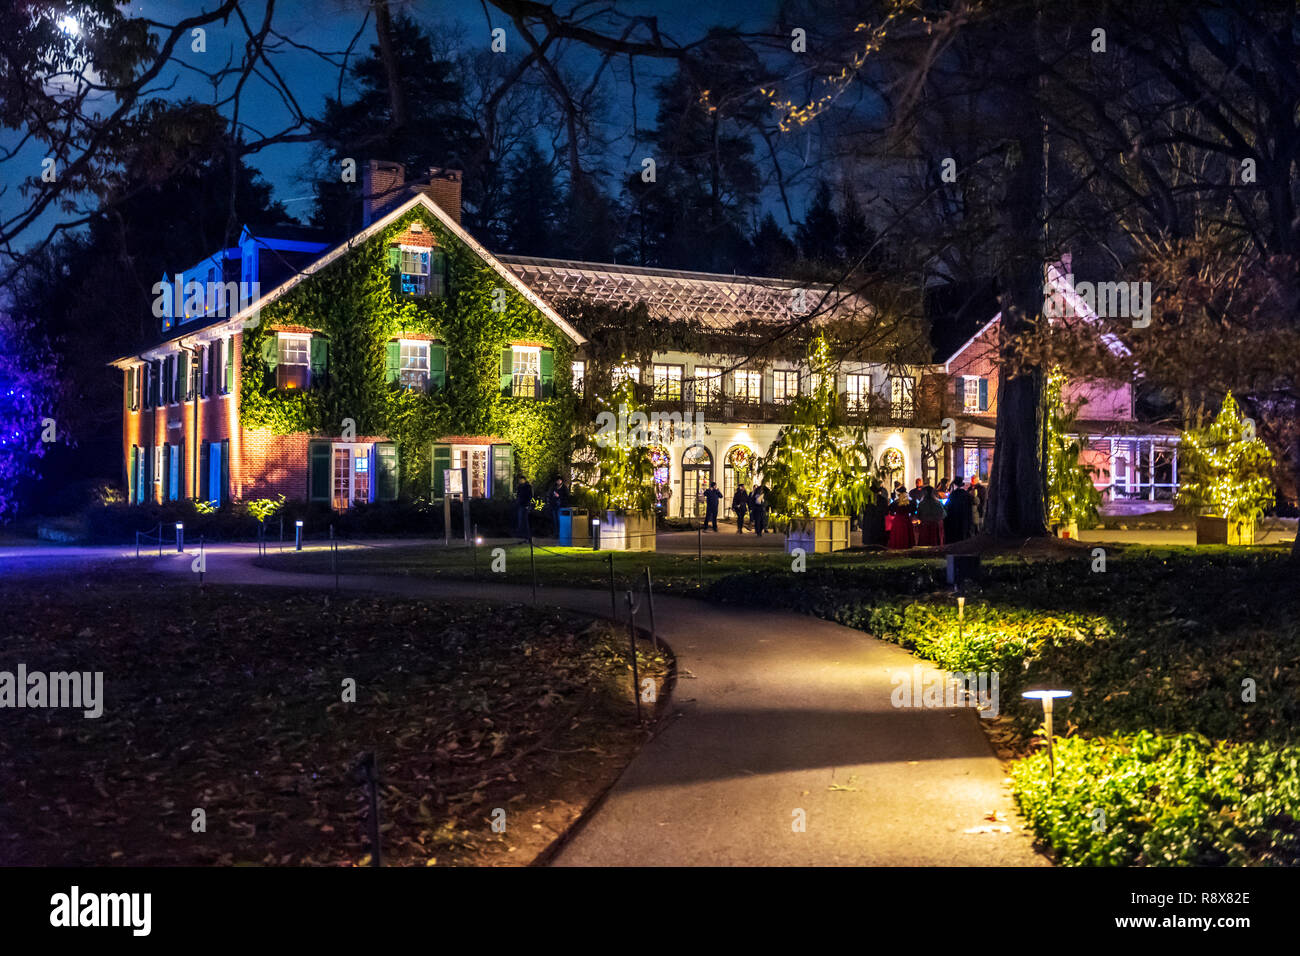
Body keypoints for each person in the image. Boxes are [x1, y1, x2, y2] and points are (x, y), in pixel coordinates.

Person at [861, 478, 889, 548]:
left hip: (869, 524)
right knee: (879, 544)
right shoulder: (883, 500)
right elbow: (886, 512)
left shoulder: (866, 499)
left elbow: (863, 511)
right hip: (879, 525)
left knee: (869, 544)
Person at [944, 476, 973, 544]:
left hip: (954, 518)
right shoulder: (966, 495)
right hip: (964, 518)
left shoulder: (953, 494)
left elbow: (948, 506)